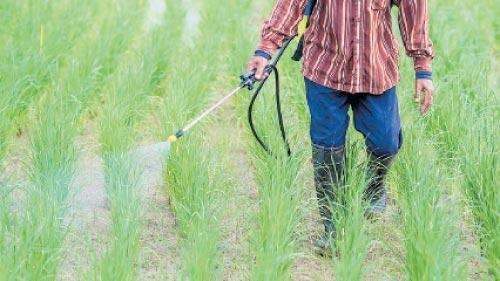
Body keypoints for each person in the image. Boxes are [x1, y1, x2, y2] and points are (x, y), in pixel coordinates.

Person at [246, 0, 435, 252]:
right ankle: (334, 229)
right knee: (327, 148)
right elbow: (291, 4)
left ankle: (374, 186)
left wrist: (422, 68)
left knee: (386, 143)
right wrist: (264, 50)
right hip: (324, 68)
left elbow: (414, 9)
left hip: (375, 69)